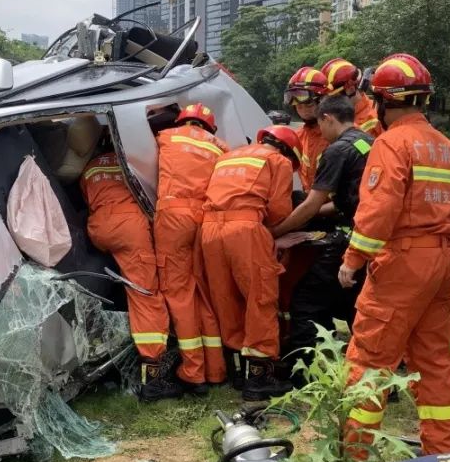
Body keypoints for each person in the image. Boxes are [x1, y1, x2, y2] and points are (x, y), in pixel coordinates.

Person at [338, 53, 450, 457]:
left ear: (382, 101)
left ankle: (352, 456)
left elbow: (379, 210)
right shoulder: (449, 149)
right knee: (434, 363)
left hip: (406, 263)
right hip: (445, 263)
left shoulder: (392, 143)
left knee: (371, 357)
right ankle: (445, 455)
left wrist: (353, 259)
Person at [272, 93, 374, 380]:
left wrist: (277, 231)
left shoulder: (338, 150)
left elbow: (313, 204)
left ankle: (302, 372)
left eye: (320, 124)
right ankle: (376, 374)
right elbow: (345, 201)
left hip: (348, 238)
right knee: (357, 306)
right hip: (369, 237)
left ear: (327, 118)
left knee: (307, 302)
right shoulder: (367, 142)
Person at [199, 126, 299, 400]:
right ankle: (259, 376)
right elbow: (279, 210)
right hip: (244, 230)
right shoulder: (277, 161)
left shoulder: (229, 156)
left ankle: (238, 370)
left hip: (208, 230)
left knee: (225, 297)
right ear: (288, 152)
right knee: (261, 297)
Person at [81, 143, 176, 401]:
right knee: (146, 296)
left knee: (127, 283)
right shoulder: (134, 159)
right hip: (129, 226)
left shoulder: (90, 166)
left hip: (99, 226)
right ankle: (153, 377)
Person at [154, 103, 229, 390]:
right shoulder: (221, 147)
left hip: (174, 218)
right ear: (209, 127)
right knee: (203, 295)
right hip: (207, 219)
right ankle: (216, 371)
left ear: (182, 120)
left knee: (179, 294)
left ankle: (193, 372)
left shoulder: (166, 136)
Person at [286, 67, 332, 191]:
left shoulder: (338, 134)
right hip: (310, 203)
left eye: (308, 104)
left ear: (323, 100)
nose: (303, 110)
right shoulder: (297, 136)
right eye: (298, 105)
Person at [322, 58, 383, 137]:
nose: (332, 103)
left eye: (336, 97)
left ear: (351, 89)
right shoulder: (332, 118)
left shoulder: (377, 115)